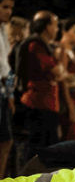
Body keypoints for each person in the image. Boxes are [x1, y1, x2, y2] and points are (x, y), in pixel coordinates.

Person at [16, 11, 63, 162]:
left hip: (47, 104)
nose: (57, 30)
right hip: (38, 102)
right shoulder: (35, 45)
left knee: (48, 147)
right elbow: (56, 72)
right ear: (47, 26)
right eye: (55, 26)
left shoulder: (45, 46)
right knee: (36, 148)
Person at [0, 0, 13, 179]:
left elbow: (7, 68)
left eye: (11, 7)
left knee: (6, 140)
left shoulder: (3, 32)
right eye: (5, 7)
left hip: (2, 91)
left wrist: (9, 94)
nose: (9, 11)